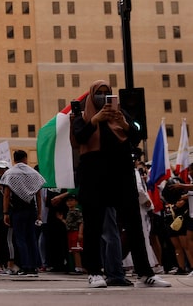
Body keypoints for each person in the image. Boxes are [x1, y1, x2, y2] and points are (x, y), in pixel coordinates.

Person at [70, 80, 171, 288]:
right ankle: (95, 272)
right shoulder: (81, 116)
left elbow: (137, 135)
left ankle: (145, 273)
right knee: (94, 225)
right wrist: (96, 120)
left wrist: (124, 124)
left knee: (134, 224)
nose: (104, 96)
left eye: (107, 92)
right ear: (91, 95)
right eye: (99, 93)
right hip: (94, 175)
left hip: (121, 174)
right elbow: (79, 137)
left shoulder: (121, 114)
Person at [0, 150, 44, 277]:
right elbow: (39, 195)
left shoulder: (10, 173)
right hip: (31, 209)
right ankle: (34, 267)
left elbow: (7, 195)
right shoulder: (34, 173)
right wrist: (39, 213)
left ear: (14, 160)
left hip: (18, 209)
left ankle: (25, 267)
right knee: (31, 238)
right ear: (25, 158)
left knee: (20, 239)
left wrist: (5, 212)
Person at [63, 194, 85, 274]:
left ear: (76, 202)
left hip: (76, 232)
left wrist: (80, 233)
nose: (69, 202)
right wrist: (62, 219)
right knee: (73, 250)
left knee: (76, 250)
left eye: (71, 200)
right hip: (70, 232)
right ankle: (77, 267)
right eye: (68, 201)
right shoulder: (69, 212)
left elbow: (81, 222)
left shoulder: (77, 211)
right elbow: (69, 223)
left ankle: (79, 268)